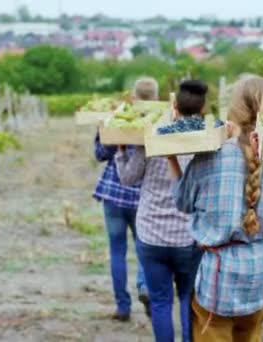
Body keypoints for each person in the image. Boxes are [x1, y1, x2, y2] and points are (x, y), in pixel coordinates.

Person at [168, 76, 263, 342]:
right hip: (260, 273)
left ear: (233, 108)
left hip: (219, 279)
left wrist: (171, 158)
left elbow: (182, 202)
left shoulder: (209, 155)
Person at [115, 80, 208, 342]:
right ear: (203, 110)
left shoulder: (152, 137)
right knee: (189, 300)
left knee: (160, 302)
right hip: (188, 237)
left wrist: (122, 151)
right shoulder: (207, 144)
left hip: (152, 235)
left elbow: (127, 178)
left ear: (174, 107)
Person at [92, 78, 156, 322]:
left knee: (117, 251)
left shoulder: (116, 117)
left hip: (114, 193)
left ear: (133, 95)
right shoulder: (160, 120)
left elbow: (99, 154)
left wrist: (105, 134)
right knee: (145, 249)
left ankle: (122, 306)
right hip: (142, 196)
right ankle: (145, 287)